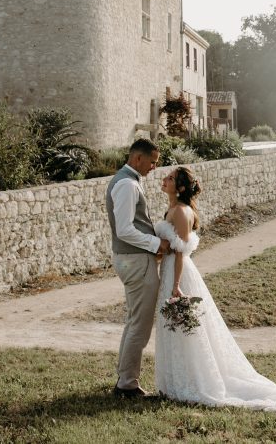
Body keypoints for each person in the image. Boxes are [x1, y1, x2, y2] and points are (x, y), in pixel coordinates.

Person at [154, 166, 276, 415]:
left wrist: (176, 285)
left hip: (179, 275)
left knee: (185, 327)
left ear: (180, 187)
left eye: (170, 178)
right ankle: (173, 383)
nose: (165, 180)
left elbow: (180, 251)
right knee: (174, 327)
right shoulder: (172, 209)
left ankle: (192, 382)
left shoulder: (181, 212)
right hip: (170, 272)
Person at [106, 137, 170, 398]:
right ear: (137, 158)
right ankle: (127, 385)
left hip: (132, 260)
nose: (153, 167)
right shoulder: (126, 185)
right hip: (136, 261)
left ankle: (124, 378)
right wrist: (156, 243)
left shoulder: (127, 181)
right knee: (140, 326)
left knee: (134, 322)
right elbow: (124, 230)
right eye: (152, 162)